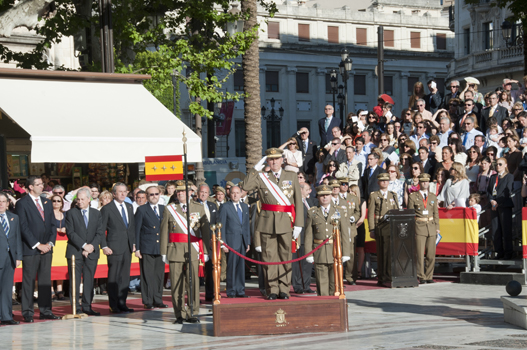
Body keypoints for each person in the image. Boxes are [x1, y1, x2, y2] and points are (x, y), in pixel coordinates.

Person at [242, 148, 304, 300]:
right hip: (267, 223)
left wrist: (298, 224)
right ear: (267, 161)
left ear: (282, 160)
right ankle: (272, 289)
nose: (274, 162)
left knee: (285, 256)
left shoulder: (291, 176)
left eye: (277, 159)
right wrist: (255, 169)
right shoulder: (262, 177)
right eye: (271, 159)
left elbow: (298, 201)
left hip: (286, 221)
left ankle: (284, 289)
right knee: (269, 258)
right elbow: (246, 186)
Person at [160, 180, 210, 323]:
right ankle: (179, 314)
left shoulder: (198, 208)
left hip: (193, 250)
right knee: (177, 284)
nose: (180, 193)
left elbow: (205, 232)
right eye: (178, 191)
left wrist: (205, 251)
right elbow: (164, 231)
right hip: (175, 249)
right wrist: (163, 251)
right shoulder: (170, 208)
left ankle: (193, 312)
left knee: (193, 283)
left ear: (190, 193)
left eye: (183, 191)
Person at [15, 175, 58, 322]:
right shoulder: (22, 203)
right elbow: (23, 227)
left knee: (45, 280)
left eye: (42, 183)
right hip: (31, 248)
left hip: (47, 248)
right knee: (29, 281)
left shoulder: (46, 202)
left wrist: (50, 243)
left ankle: (46, 310)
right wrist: (37, 244)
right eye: (39, 184)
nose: (42, 186)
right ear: (31, 187)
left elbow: (53, 224)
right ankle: (27, 312)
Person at [304, 184, 350, 296]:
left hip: (335, 251)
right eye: (322, 195)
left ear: (331, 196)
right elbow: (309, 235)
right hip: (319, 251)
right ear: (318, 197)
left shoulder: (338, 211)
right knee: (321, 281)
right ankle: (324, 304)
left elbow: (344, 233)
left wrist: (346, 252)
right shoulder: (312, 212)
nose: (325, 197)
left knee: (335, 283)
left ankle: (334, 305)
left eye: (327, 195)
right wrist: (308, 253)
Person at [65, 188, 104, 316]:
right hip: (75, 251)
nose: (80, 202)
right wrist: (83, 246)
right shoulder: (71, 213)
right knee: (74, 281)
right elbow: (70, 233)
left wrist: (91, 246)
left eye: (82, 199)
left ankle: (87, 306)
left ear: (89, 199)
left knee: (89, 280)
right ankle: (75, 307)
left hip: (92, 251)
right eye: (78, 199)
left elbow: (99, 232)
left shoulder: (96, 213)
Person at [100, 182, 136, 314]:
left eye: (124, 191)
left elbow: (131, 228)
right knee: (114, 277)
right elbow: (101, 229)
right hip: (113, 247)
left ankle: (122, 303)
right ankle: (113, 304)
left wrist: (133, 243)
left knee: (125, 277)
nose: (122, 194)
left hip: (127, 247)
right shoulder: (107, 209)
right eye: (119, 191)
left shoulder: (129, 206)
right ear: (114, 194)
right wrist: (104, 246)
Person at [134, 185, 167, 309]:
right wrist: (137, 248)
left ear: (160, 195)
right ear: (147, 197)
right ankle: (147, 301)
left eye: (156, 194)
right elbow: (136, 230)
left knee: (159, 275)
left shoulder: (164, 209)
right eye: (151, 194)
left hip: (160, 247)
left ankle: (158, 299)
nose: (154, 197)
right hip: (147, 247)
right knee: (147, 275)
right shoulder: (142, 210)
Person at [368, 173, 399, 287]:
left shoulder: (393, 195)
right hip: (380, 227)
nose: (384, 182)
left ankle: (390, 275)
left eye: (386, 180)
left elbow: (397, 210)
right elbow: (371, 213)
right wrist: (371, 229)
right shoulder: (374, 195)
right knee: (382, 253)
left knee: (391, 253)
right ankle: (382, 276)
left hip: (391, 227)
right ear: (378, 182)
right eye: (382, 181)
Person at [407, 173, 440, 284]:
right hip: (419, 226)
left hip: (431, 226)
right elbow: (411, 214)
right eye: (423, 181)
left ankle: (429, 275)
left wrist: (437, 227)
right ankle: (421, 276)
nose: (425, 183)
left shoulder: (432, 196)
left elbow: (436, 213)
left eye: (426, 181)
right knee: (420, 254)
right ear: (419, 183)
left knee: (431, 254)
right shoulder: (413, 196)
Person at [218, 186, 250, 298]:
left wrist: (248, 242)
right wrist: (223, 243)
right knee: (231, 267)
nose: (235, 195)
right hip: (231, 242)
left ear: (241, 194)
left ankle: (240, 290)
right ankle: (231, 291)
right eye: (233, 193)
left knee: (241, 267)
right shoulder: (225, 207)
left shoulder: (245, 207)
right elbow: (221, 226)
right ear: (229, 194)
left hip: (242, 242)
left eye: (237, 193)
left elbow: (246, 226)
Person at [0, 192, 22, 325]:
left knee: (7, 289)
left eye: (3, 201)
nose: (1, 204)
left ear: (8, 203)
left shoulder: (14, 217)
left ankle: (6, 316)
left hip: (10, 258)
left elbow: (17, 238)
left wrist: (18, 256)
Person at [335, 178, 361, 285]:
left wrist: (354, 218)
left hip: (350, 227)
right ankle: (338, 276)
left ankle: (350, 276)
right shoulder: (335, 198)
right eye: (342, 184)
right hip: (338, 228)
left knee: (351, 253)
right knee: (338, 252)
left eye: (346, 184)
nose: (345, 186)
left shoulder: (353, 198)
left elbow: (357, 211)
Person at [487, 158, 514, 260]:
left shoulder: (509, 176)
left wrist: (498, 202)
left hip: (504, 205)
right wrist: (492, 201)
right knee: (495, 231)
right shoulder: (493, 177)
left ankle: (508, 252)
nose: (498, 166)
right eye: (496, 164)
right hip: (494, 206)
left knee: (506, 229)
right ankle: (499, 251)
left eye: (500, 164)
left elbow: (508, 191)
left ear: (505, 165)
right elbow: (489, 191)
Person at [51, 195, 66, 301]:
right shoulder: (48, 214)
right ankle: (51, 290)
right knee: (51, 267)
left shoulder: (66, 214)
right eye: (54, 201)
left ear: (62, 203)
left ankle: (60, 290)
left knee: (61, 266)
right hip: (52, 243)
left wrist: (66, 228)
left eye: (58, 201)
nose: (56, 202)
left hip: (62, 245)